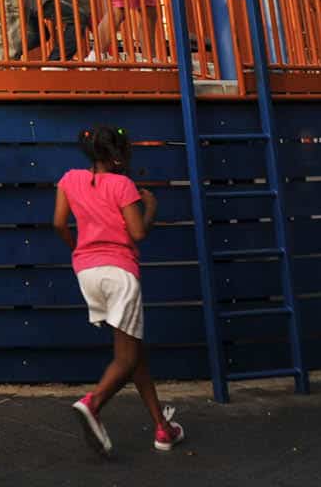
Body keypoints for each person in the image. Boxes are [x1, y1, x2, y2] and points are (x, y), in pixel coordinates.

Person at [53, 125, 184, 456]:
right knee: (126, 357)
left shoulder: (69, 179)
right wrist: (151, 207)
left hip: (87, 274)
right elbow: (138, 233)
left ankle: (162, 429)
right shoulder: (123, 185)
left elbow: (58, 223)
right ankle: (92, 403)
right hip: (119, 274)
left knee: (135, 355)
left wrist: (78, 250)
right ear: (116, 155)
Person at [37, 0, 103, 61]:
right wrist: (105, 47)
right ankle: (57, 61)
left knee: (34, 34)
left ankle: (9, 60)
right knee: (80, 18)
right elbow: (90, 19)